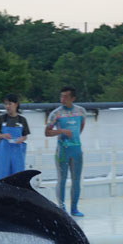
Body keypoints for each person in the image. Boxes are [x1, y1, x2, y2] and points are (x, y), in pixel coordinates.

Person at [44, 86, 86, 217]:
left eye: (66, 97)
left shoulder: (81, 111)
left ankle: (74, 208)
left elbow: (81, 127)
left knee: (76, 180)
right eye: (61, 96)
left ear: (73, 98)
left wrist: (74, 139)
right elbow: (47, 132)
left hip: (76, 150)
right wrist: (61, 131)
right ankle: (61, 208)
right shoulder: (56, 114)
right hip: (62, 151)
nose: (62, 99)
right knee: (62, 179)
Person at [0, 93, 30, 180]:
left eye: (10, 104)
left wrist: (21, 139)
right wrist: (3, 135)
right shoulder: (1, 119)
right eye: (5, 104)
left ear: (16, 104)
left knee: (18, 177)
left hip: (17, 154)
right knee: (2, 175)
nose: (7, 106)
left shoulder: (22, 120)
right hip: (4, 153)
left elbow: (25, 136)